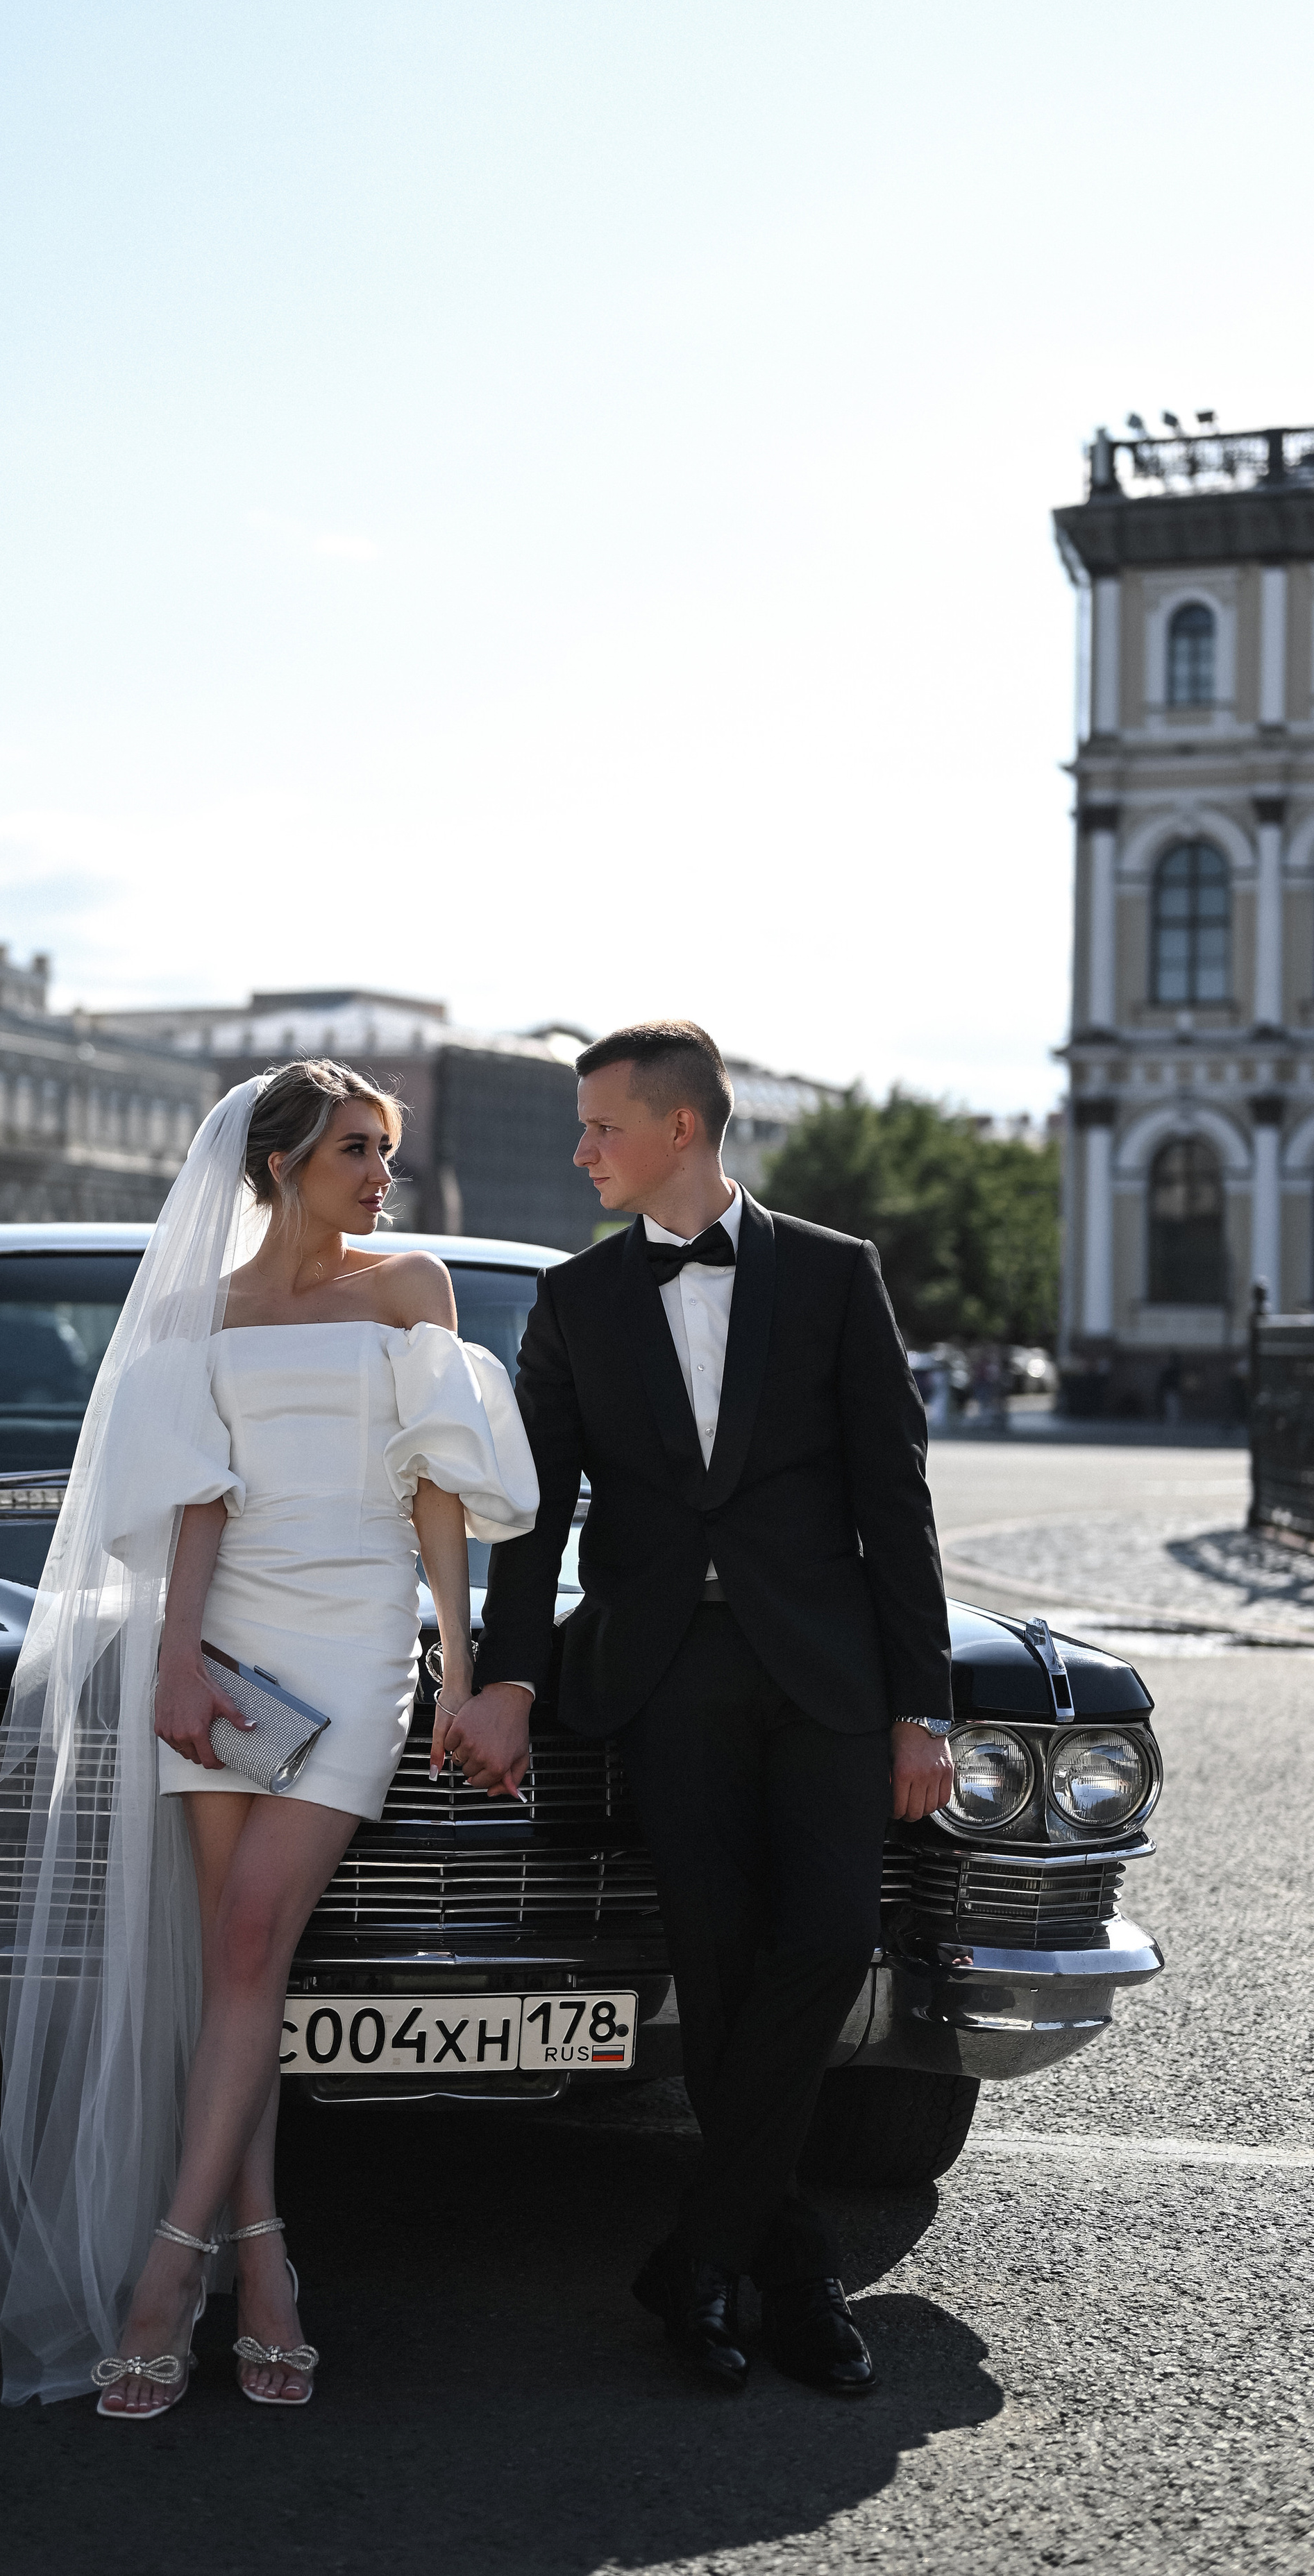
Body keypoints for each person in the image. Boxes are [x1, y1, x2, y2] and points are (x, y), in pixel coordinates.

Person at [0, 1060, 537, 2414]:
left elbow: (437, 1498)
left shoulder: (410, 1287)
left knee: (241, 1940)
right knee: (240, 1960)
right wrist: (174, 1664)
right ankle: (266, 2271)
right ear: (280, 1161)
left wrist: (459, 1674)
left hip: (353, 1636)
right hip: (225, 1645)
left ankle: (168, 2278)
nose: (378, 1176)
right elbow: (193, 1506)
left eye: (385, 1154)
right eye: (356, 1149)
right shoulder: (200, 1309)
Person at [448, 1019, 953, 2397]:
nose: (578, 1151)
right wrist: (507, 1677)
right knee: (716, 1969)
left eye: (598, 1126)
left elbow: (892, 1501)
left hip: (829, 1676)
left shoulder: (838, 1278)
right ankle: (782, 2270)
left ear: (681, 1128)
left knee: (829, 1940)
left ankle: (707, 2253)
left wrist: (926, 1705)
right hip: (665, 1673)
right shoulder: (574, 1298)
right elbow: (529, 1520)